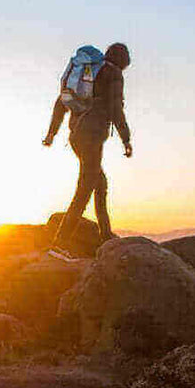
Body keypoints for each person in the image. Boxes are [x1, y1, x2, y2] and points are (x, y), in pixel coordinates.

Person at [42, 43, 132, 261]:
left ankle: (105, 234)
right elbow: (115, 107)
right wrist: (126, 138)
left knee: (99, 183)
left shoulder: (88, 73)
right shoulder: (113, 74)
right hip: (92, 136)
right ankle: (59, 244)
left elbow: (61, 103)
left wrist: (52, 134)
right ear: (123, 60)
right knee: (85, 188)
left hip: (76, 137)